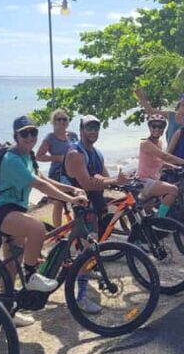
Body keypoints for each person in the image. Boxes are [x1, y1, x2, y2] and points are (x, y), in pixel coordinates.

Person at [0, 115, 88, 325]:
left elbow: (44, 179)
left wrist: (72, 188)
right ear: (16, 135)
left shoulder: (28, 156)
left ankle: (7, 313)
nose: (29, 136)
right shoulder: (11, 159)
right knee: (37, 229)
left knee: (11, 267)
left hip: (15, 210)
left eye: (33, 132)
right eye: (24, 133)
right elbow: (38, 186)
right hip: (3, 211)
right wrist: (71, 199)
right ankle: (32, 275)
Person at [62, 114, 130, 314]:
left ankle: (85, 268)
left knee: (93, 247)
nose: (93, 131)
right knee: (89, 249)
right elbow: (88, 183)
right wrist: (114, 180)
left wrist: (122, 181)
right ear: (81, 129)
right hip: (82, 206)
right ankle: (81, 297)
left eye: (96, 128)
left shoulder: (97, 153)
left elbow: (106, 179)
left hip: (96, 204)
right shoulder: (75, 153)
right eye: (89, 127)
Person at [137, 114, 184, 218]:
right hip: (144, 181)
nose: (157, 129)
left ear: (164, 128)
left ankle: (153, 227)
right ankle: (161, 220)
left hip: (153, 180)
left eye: (160, 126)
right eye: (153, 126)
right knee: (173, 189)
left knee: (148, 213)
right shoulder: (145, 143)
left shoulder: (159, 142)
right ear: (149, 127)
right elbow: (164, 156)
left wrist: (173, 166)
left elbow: (159, 161)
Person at [36, 109, 79, 227]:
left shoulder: (73, 135)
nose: (62, 122)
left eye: (64, 119)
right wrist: (56, 158)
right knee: (58, 203)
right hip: (57, 174)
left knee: (77, 201)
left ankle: (78, 230)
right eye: (58, 119)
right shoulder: (50, 138)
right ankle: (58, 233)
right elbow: (39, 156)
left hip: (73, 173)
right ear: (53, 122)